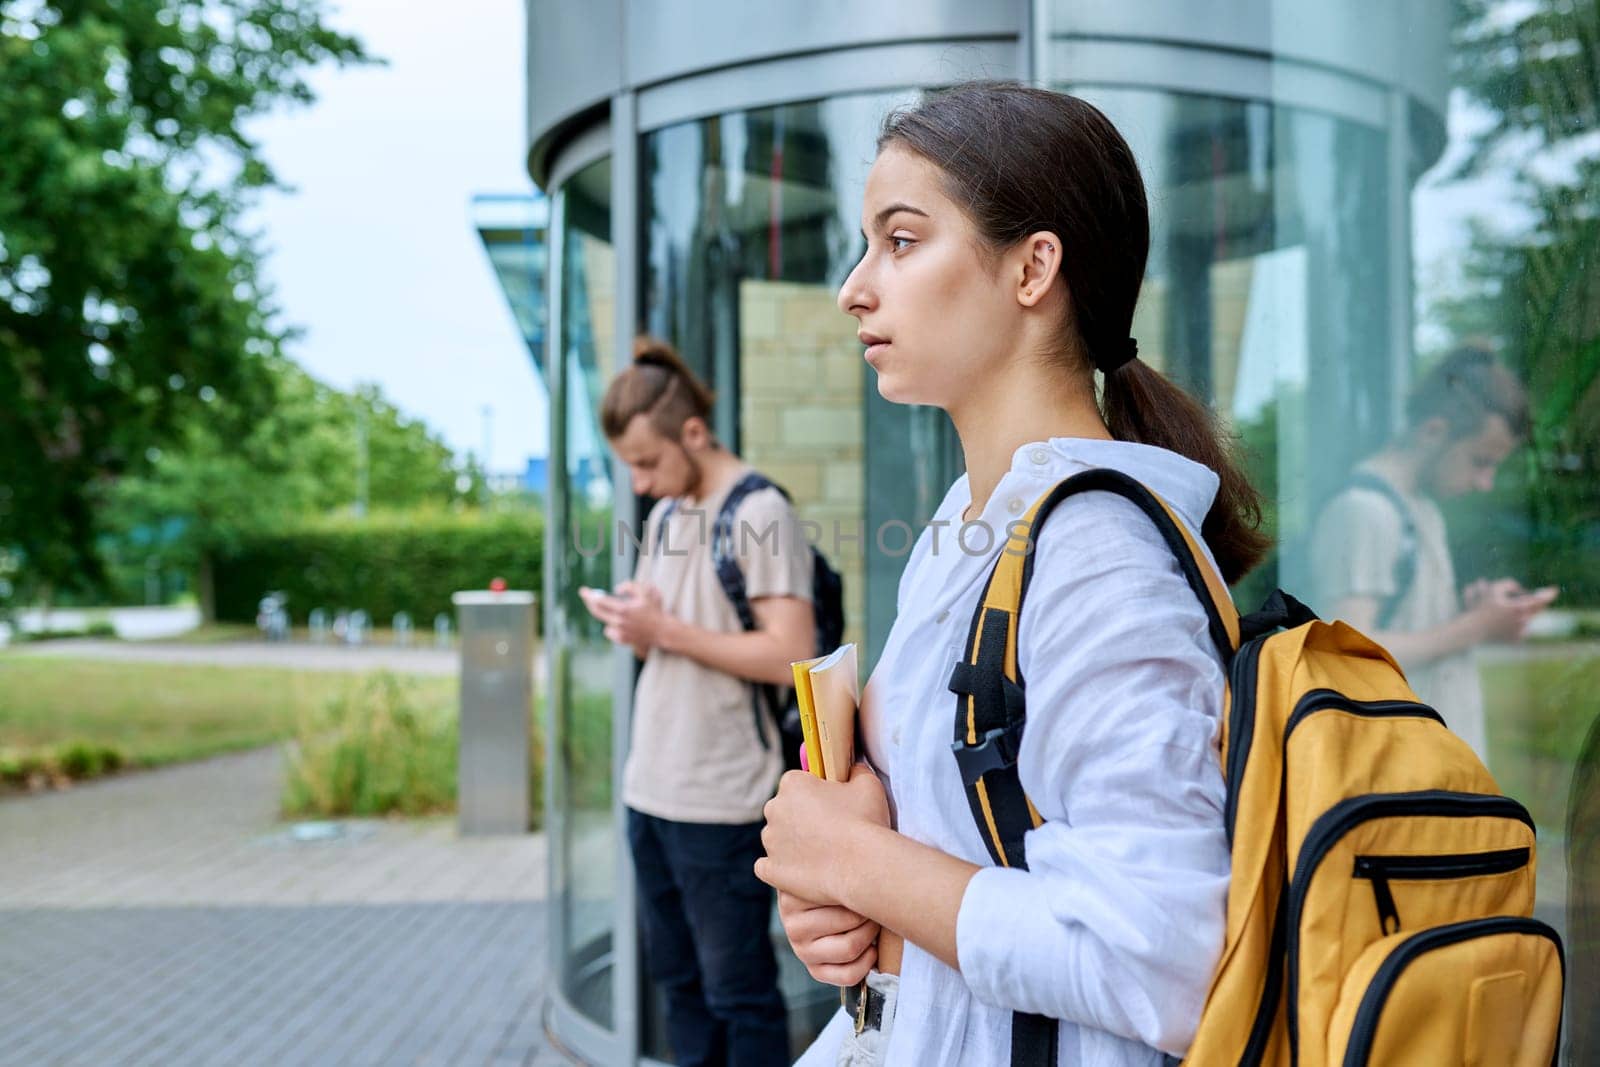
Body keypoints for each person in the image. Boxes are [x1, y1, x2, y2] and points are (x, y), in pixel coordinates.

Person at [754, 82, 1270, 1066]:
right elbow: (964, 852)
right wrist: (847, 901)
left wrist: (858, 861)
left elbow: (1167, 960)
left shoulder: (1096, 559)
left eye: (900, 241)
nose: (854, 287)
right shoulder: (976, 518)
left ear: (1034, 267)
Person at [582, 336, 815, 1067]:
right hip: (651, 788)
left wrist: (668, 629)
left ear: (692, 431)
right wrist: (641, 623)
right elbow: (669, 642)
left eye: (647, 463)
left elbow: (791, 652)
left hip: (721, 800)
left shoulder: (760, 509)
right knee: (677, 985)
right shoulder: (668, 514)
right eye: (630, 468)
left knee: (737, 993)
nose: (642, 483)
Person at [1307, 346, 1555, 760]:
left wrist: (1474, 613)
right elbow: (1345, 653)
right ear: (1433, 431)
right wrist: (1476, 626)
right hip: (1396, 785)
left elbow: (1403, 627)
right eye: (1480, 461)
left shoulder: (1420, 507)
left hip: (1430, 779)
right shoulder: (1364, 511)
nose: (1485, 482)